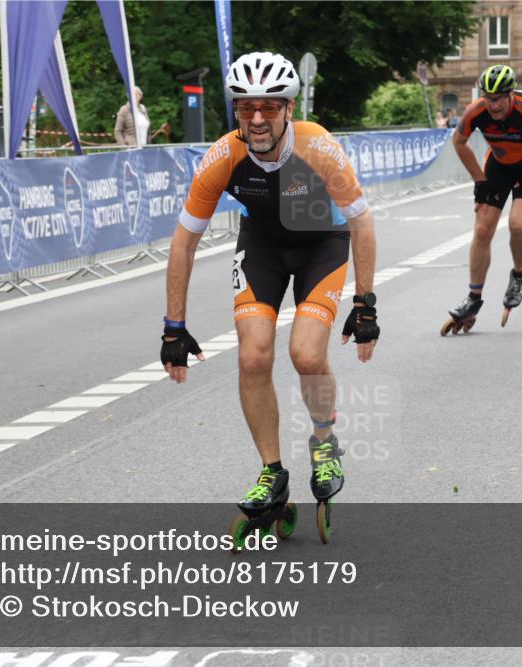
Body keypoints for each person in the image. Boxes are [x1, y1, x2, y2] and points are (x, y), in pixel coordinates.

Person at [160, 51, 378, 540]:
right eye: (246, 107)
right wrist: (174, 326)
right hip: (263, 247)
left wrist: (365, 303)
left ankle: (325, 442)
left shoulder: (317, 145)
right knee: (253, 355)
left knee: (306, 353)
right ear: (236, 110)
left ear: (288, 109)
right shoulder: (224, 155)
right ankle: (272, 472)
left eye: (269, 107)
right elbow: (184, 240)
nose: (257, 118)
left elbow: (362, 222)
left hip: (321, 244)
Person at [441, 64, 522, 334]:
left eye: (499, 98)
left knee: (518, 225)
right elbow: (458, 142)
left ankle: (519, 275)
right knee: (482, 229)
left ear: (511, 94)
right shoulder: (476, 110)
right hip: (498, 167)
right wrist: (479, 180)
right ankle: (473, 298)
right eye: (489, 98)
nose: (493, 105)